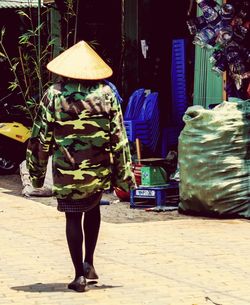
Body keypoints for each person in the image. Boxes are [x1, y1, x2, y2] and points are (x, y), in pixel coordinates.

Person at [26, 40, 136, 292]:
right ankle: (89, 263)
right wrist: (125, 175)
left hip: (67, 170)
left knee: (73, 216)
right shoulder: (107, 94)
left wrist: (37, 173)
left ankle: (79, 276)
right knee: (93, 209)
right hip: (98, 169)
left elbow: (40, 136)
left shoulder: (54, 94)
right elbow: (118, 136)